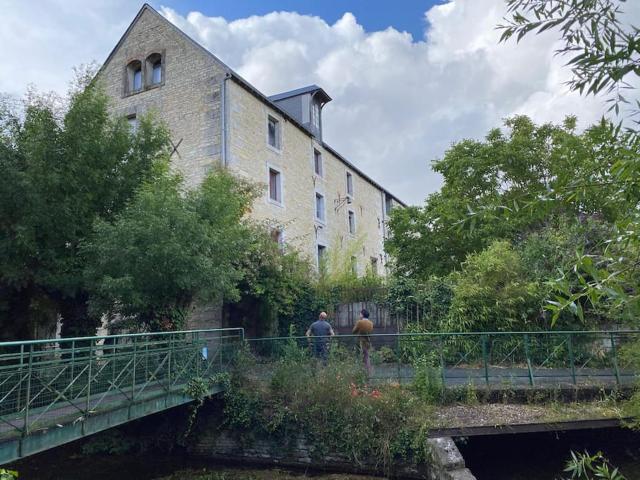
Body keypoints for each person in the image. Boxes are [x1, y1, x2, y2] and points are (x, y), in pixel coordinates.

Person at [352, 309, 374, 376]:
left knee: (359, 356)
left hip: (360, 342)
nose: (359, 315)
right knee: (367, 357)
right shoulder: (371, 323)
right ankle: (368, 372)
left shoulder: (360, 322)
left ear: (362, 314)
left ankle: (361, 372)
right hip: (368, 342)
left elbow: (353, 331)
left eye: (360, 314)